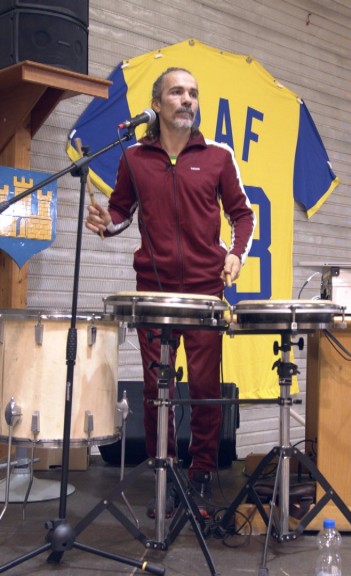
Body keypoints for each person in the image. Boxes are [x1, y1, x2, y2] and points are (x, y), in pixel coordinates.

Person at [85, 67, 255, 519]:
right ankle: (166, 468)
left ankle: (200, 473)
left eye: (193, 93)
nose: (187, 100)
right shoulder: (134, 160)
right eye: (177, 92)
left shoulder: (218, 157)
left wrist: (236, 254)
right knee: (158, 387)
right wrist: (107, 224)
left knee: (202, 388)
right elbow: (121, 212)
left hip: (203, 290)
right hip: (153, 290)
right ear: (156, 105)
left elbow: (243, 215)